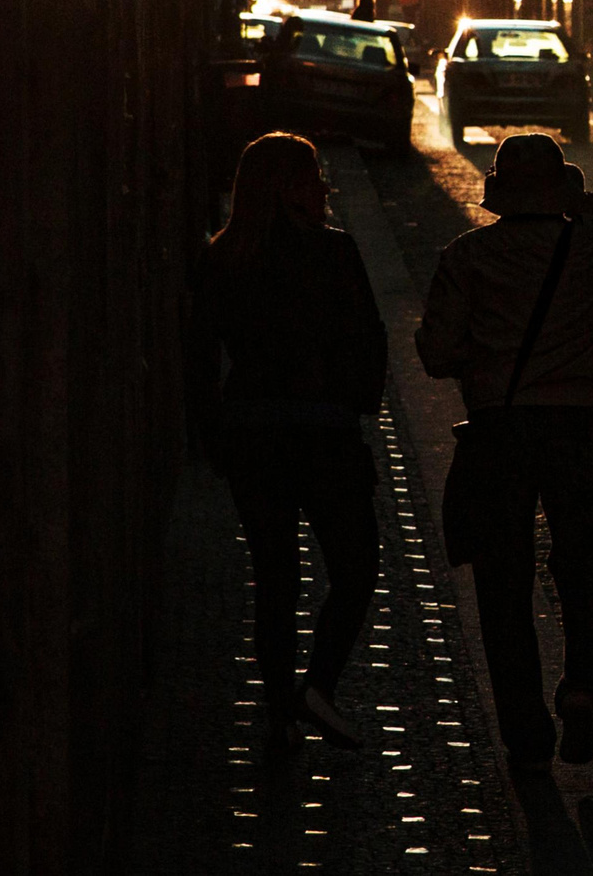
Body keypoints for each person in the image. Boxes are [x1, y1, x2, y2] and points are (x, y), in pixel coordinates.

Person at [418, 132, 593, 773]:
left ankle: (524, 730)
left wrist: (478, 360)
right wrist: (583, 196)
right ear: (559, 188)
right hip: (577, 425)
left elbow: (435, 354)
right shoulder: (592, 246)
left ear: (497, 193)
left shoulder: (465, 257)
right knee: (579, 563)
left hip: (499, 431)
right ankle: (580, 691)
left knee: (502, 580)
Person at [194, 131, 388, 749]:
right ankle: (317, 687)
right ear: (287, 187)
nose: (323, 187)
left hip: (253, 433)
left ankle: (280, 710)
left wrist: (213, 432)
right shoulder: (333, 252)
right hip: (324, 433)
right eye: (312, 176)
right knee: (355, 571)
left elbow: (200, 355)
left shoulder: (221, 258)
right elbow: (368, 339)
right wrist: (356, 402)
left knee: (274, 577)